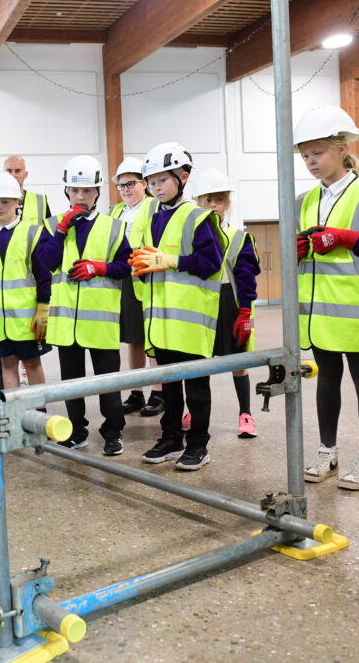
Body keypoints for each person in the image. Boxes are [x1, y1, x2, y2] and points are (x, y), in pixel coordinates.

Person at [294, 105, 359, 492]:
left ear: (341, 148)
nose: (310, 161)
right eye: (305, 155)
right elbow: (304, 249)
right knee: (327, 379)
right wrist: (300, 247)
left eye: (318, 152)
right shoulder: (304, 199)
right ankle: (328, 452)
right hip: (319, 310)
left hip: (357, 308)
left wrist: (342, 237)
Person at [129, 142, 227, 471]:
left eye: (162, 181)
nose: (156, 188)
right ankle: (171, 438)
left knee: (196, 389)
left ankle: (198, 444)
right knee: (169, 388)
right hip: (161, 322)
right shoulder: (153, 217)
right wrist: (142, 268)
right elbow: (151, 262)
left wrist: (168, 260)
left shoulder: (200, 218)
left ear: (183, 178)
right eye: (151, 182)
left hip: (190, 323)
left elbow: (211, 263)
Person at [37, 156, 132, 455]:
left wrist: (100, 268)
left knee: (108, 383)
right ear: (67, 191)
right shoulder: (53, 226)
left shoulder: (114, 227)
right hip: (67, 322)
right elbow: (45, 263)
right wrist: (62, 230)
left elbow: (125, 266)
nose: (80, 197)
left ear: (97, 192)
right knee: (71, 383)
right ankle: (76, 430)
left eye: (87, 191)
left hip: (101, 321)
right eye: (75, 191)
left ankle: (113, 432)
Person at [184, 169, 261, 438]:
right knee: (198, 362)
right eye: (207, 200)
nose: (213, 205)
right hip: (200, 304)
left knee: (238, 362)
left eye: (219, 199)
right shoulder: (192, 236)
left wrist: (245, 311)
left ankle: (245, 414)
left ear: (227, 202)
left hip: (229, 303)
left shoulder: (239, 237)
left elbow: (247, 278)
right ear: (198, 204)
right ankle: (193, 412)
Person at [0, 172, 52, 389]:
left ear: (17, 202)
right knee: (7, 363)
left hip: (28, 318)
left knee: (32, 363)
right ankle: (16, 414)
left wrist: (43, 307)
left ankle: (40, 412)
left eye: (5, 202)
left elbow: (44, 276)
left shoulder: (34, 233)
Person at [109, 158, 165, 418]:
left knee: (152, 338)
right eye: (121, 186)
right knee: (133, 339)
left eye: (131, 183)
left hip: (149, 278)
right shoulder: (115, 212)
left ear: (144, 184)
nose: (126, 189)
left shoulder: (155, 205)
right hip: (126, 280)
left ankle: (159, 391)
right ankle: (136, 392)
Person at [4, 155, 51, 226]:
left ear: (25, 175)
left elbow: (49, 231)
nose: (13, 175)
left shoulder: (40, 200)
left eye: (17, 171)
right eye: (9, 171)